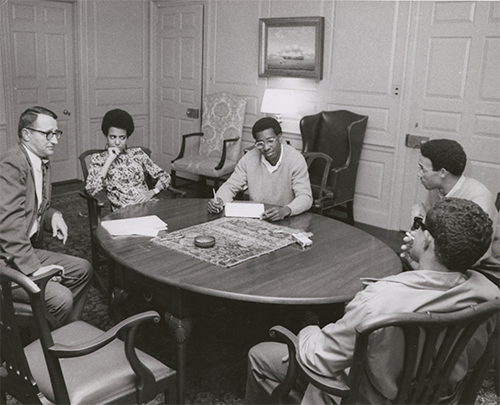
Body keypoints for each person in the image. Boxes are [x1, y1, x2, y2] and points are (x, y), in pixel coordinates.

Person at [245, 198, 499, 405]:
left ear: (429, 239)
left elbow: (319, 359)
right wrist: (418, 268)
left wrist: (308, 331)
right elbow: (435, 293)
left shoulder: (377, 302)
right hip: (436, 396)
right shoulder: (489, 296)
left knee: (259, 354)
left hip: (366, 397)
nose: (416, 230)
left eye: (420, 226)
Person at [0, 106, 93, 325]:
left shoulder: (40, 160)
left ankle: (65, 332)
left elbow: (31, 204)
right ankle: (44, 351)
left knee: (83, 269)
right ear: (26, 134)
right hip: (5, 259)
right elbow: (8, 226)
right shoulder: (12, 163)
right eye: (48, 134)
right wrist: (36, 270)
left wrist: (52, 215)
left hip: (19, 251)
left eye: (57, 133)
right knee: (61, 299)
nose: (55, 140)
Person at [401, 138, 499, 273]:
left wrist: (423, 265)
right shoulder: (437, 190)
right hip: (443, 262)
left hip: (477, 269)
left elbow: (478, 255)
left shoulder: (479, 198)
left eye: (423, 169)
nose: (419, 174)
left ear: (442, 172)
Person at [207, 117, 312, 221]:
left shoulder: (295, 159)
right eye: (260, 143)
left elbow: (305, 197)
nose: (266, 147)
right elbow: (231, 186)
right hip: (258, 218)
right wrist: (219, 200)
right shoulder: (249, 159)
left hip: (287, 218)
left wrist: (286, 210)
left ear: (280, 138)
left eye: (270, 141)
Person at [85, 108, 171, 210]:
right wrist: (109, 160)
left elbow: (165, 176)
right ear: (106, 136)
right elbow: (91, 189)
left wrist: (152, 192)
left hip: (149, 205)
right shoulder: (99, 159)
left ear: (127, 137)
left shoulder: (137, 154)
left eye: (122, 138)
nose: (117, 142)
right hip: (124, 211)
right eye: (113, 137)